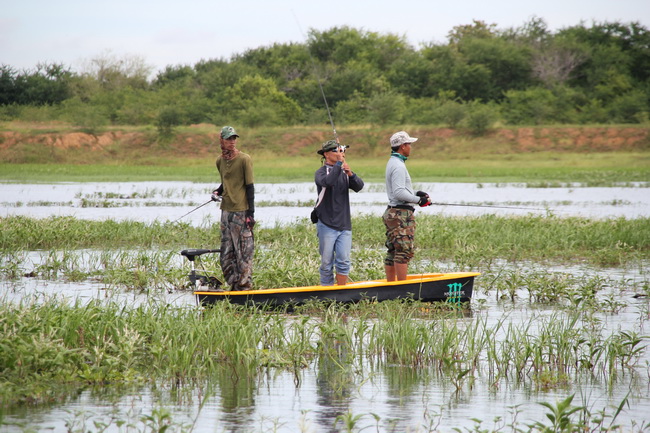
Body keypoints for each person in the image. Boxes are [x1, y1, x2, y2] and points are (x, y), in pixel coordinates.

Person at [314, 139, 364, 286]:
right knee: (326, 262)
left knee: (343, 260)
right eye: (335, 151)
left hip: (344, 224)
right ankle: (327, 291)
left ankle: (341, 292)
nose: (339, 154)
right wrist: (338, 165)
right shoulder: (321, 172)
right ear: (326, 154)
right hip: (327, 223)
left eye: (341, 151)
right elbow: (328, 182)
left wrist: (350, 174)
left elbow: (359, 186)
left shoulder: (342, 172)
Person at [383, 131, 431, 281]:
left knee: (393, 250)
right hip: (400, 214)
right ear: (403, 146)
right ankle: (402, 287)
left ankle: (391, 285)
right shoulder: (398, 166)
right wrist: (419, 200)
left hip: (393, 212)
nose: (411, 147)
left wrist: (417, 193)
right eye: (409, 144)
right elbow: (398, 193)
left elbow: (401, 189)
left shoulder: (394, 162)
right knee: (403, 251)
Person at [211, 125, 255, 291]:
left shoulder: (245, 159)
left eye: (234, 138)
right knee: (226, 252)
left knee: (243, 251)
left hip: (241, 211)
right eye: (228, 138)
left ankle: (245, 286)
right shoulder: (219, 160)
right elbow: (226, 181)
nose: (232, 141)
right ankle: (234, 285)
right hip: (225, 211)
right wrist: (217, 191)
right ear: (221, 140)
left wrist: (250, 214)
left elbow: (249, 186)